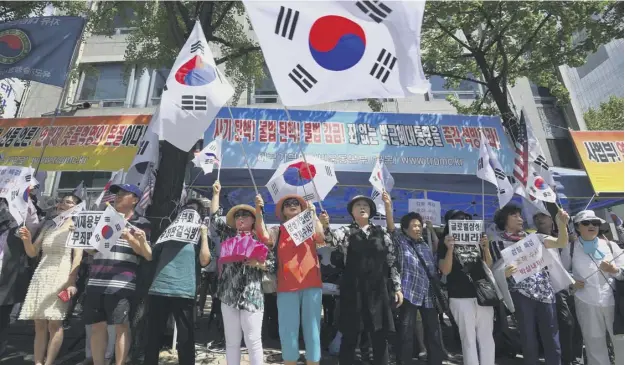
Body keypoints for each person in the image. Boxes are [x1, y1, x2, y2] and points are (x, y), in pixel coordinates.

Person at [319, 193, 402, 365]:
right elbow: (330, 241)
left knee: (379, 337)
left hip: (378, 291)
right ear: (352, 212)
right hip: (353, 290)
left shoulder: (382, 232)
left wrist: (397, 287)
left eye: (365, 205)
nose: (362, 207)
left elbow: (392, 260)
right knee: (350, 335)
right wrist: (325, 225)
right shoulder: (346, 231)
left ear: (371, 210)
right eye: (358, 205)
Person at [489, 204, 569, 365]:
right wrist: (503, 274)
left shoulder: (535, 238)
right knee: (528, 337)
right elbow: (492, 269)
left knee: (552, 336)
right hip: (520, 295)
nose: (520, 219)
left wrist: (561, 224)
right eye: (515, 215)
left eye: (520, 215)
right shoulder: (496, 243)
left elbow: (561, 242)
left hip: (545, 292)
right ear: (504, 220)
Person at [83, 184, 152, 365]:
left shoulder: (141, 223)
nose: (117, 196)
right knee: (97, 326)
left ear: (135, 200)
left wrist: (130, 237)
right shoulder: (102, 220)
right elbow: (91, 250)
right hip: (96, 281)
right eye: (116, 194)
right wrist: (81, 236)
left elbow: (146, 254)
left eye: (123, 194)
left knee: (121, 327)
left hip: (121, 283)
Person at [256, 193, 325, 365]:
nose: (292, 205)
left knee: (313, 328)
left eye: (296, 203)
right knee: (288, 330)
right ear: (283, 212)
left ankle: (313, 361)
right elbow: (263, 235)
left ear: (303, 208)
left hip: (312, 283)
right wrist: (258, 210)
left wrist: (314, 215)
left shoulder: (310, 226)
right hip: (286, 285)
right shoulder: (277, 231)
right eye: (287, 204)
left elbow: (322, 238)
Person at [17, 193, 83, 365]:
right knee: (39, 321)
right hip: (41, 273)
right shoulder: (49, 225)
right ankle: (38, 361)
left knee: (54, 322)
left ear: (77, 207)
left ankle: (49, 362)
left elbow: (78, 257)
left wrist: (71, 281)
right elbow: (33, 252)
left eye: (68, 202)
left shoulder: (77, 226)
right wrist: (26, 239)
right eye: (62, 201)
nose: (63, 204)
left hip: (61, 273)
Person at [144, 199, 211, 365]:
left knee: (186, 336)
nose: (189, 211)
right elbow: (151, 254)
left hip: (184, 290)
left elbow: (204, 261)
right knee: (153, 335)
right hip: (160, 288)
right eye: (186, 208)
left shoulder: (199, 235)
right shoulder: (168, 232)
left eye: (194, 210)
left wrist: (203, 235)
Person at [210, 181, 266, 365]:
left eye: (246, 215)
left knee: (253, 340)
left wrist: (258, 263)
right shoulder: (228, 234)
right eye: (238, 215)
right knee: (232, 342)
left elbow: (273, 264)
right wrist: (216, 194)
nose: (241, 218)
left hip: (252, 295)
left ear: (253, 219)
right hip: (228, 294)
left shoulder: (261, 237)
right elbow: (213, 218)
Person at [561, 210, 624, 365]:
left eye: (595, 223)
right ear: (577, 226)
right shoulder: (570, 248)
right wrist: (572, 283)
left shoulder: (611, 246)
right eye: (586, 223)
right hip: (585, 301)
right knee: (593, 342)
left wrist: (614, 270)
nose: (592, 226)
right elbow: (561, 274)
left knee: (621, 340)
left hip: (614, 302)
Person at [438, 210, 494, 365]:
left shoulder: (478, 239)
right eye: (458, 219)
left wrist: (486, 248)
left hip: (483, 294)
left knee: (487, 337)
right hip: (459, 296)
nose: (463, 221)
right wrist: (450, 249)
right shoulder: (444, 242)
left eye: (466, 218)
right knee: (468, 338)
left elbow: (488, 265)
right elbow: (445, 270)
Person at [390, 209, 443, 365]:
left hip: (428, 294)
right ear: (405, 229)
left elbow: (433, 266)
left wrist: (431, 229)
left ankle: (435, 361)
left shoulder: (425, 245)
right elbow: (391, 229)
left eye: (419, 225)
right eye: (414, 225)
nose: (418, 228)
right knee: (406, 333)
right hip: (409, 293)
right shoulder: (400, 241)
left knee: (433, 332)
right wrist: (388, 205)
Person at [534, 212, 582, 365]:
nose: (539, 219)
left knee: (570, 323)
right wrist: (562, 225)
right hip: (549, 289)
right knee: (564, 323)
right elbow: (561, 242)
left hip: (564, 287)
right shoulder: (536, 239)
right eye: (536, 217)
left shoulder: (562, 237)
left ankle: (571, 357)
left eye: (543, 216)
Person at [0, 198, 40, 356]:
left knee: (2, 317)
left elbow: (34, 225)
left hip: (6, 277)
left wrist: (24, 198)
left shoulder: (20, 225)